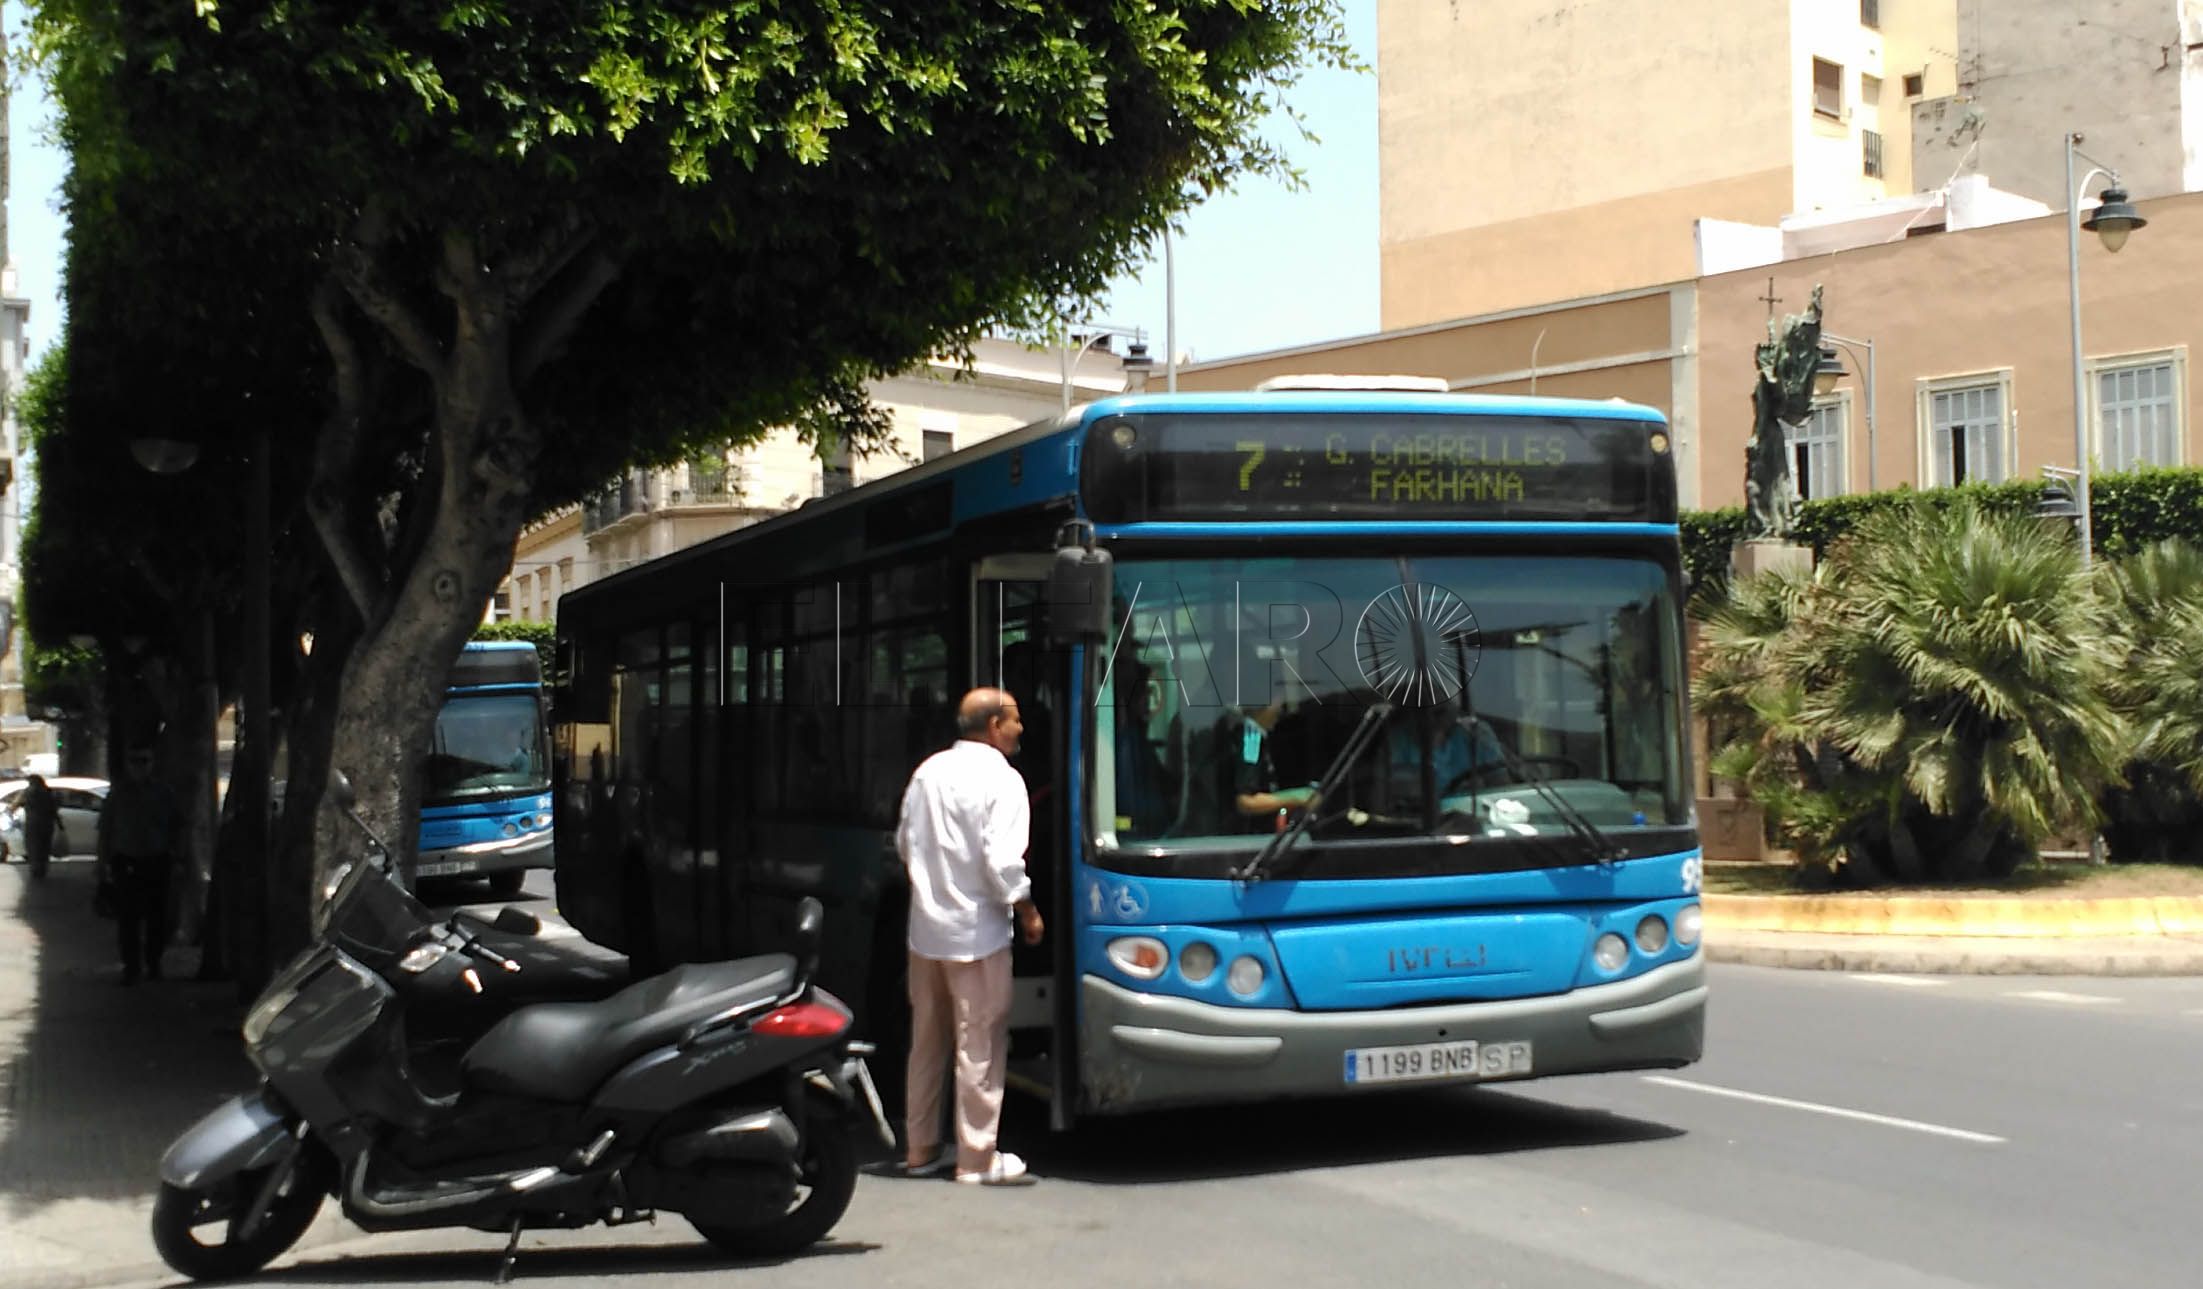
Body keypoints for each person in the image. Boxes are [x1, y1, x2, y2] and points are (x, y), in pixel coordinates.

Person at [895, 687, 1045, 1186]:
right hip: (977, 935)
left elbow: (904, 844)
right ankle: (977, 1159)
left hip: (926, 933)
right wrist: (1026, 909)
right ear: (995, 723)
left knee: (928, 1043)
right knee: (978, 1043)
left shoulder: (927, 773)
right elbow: (1003, 860)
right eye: (1016, 718)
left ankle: (919, 1150)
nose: (1022, 728)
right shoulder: (1002, 780)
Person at [97, 744, 181, 985]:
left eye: (144, 761)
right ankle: (131, 966)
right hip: (126, 861)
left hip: (157, 860)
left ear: (152, 764)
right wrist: (102, 864)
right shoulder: (118, 794)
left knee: (158, 916)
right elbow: (105, 830)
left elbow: (178, 826)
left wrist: (178, 857)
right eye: (135, 761)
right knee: (128, 918)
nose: (139, 767)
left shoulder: (163, 793)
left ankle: (154, 962)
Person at [20, 774, 58, 880]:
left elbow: (21, 803)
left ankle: (35, 868)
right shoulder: (48, 791)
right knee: (44, 847)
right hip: (46, 823)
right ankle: (42, 868)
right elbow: (53, 808)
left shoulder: (28, 791)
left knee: (33, 846)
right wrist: (59, 823)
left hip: (32, 823)